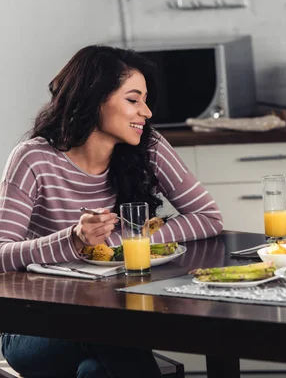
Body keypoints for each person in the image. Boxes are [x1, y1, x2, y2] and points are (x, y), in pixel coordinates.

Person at [0, 45, 223, 377]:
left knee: (98, 367)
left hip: (114, 314)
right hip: (35, 326)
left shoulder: (149, 145)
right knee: (113, 334)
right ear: (94, 98)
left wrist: (126, 238)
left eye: (145, 100)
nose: (146, 112)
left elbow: (210, 218)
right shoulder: (33, 158)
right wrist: (74, 241)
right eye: (133, 100)